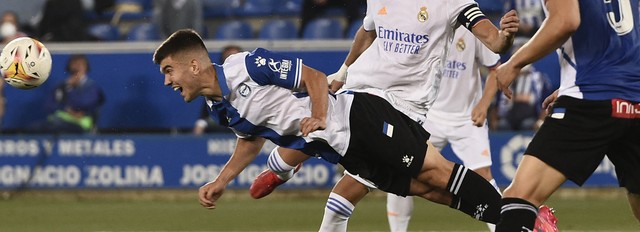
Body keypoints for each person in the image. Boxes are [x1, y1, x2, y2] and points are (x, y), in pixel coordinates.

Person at [248, 0, 532, 232]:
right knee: (378, 175)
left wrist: (505, 37)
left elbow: (492, 41)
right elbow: (365, 33)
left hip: (402, 109)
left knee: (429, 182)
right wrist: (343, 73)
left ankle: (281, 164)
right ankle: (521, 221)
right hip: (364, 93)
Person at [153, 29, 505, 228]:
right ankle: (511, 221)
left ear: (195, 65)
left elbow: (314, 78)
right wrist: (221, 181)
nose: (168, 81)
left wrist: (319, 115)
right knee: (426, 190)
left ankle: (522, 218)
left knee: (437, 172)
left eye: (169, 71)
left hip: (357, 120)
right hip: (346, 152)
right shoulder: (219, 108)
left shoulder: (247, 65)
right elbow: (250, 140)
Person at [494, 0, 640, 231]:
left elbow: (566, 18)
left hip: (591, 99)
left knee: (518, 199)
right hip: (634, 100)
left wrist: (514, 62)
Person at [385, 0, 501, 232]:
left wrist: (484, 105)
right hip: (428, 118)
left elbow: (496, 70)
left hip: (466, 118)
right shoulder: (417, 26)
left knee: (484, 178)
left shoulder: (474, 28)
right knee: (400, 173)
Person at [30, 54, 105, 134]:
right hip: (61, 121)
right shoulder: (62, 86)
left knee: (57, 125)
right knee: (35, 128)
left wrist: (70, 93)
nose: (77, 67)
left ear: (86, 67)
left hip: (81, 122)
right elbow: (49, 105)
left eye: (80, 64)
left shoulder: (91, 87)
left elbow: (85, 103)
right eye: (74, 64)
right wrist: (66, 108)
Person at [495, 39, 553, 131]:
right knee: (502, 125)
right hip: (509, 115)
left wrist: (541, 120)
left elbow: (546, 103)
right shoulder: (505, 78)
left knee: (527, 125)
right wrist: (495, 120)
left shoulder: (540, 79)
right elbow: (497, 103)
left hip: (530, 116)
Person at [193, 44, 241, 135]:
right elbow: (207, 114)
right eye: (229, 59)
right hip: (224, 126)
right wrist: (202, 123)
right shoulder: (216, 84)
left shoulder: (255, 83)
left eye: (237, 60)